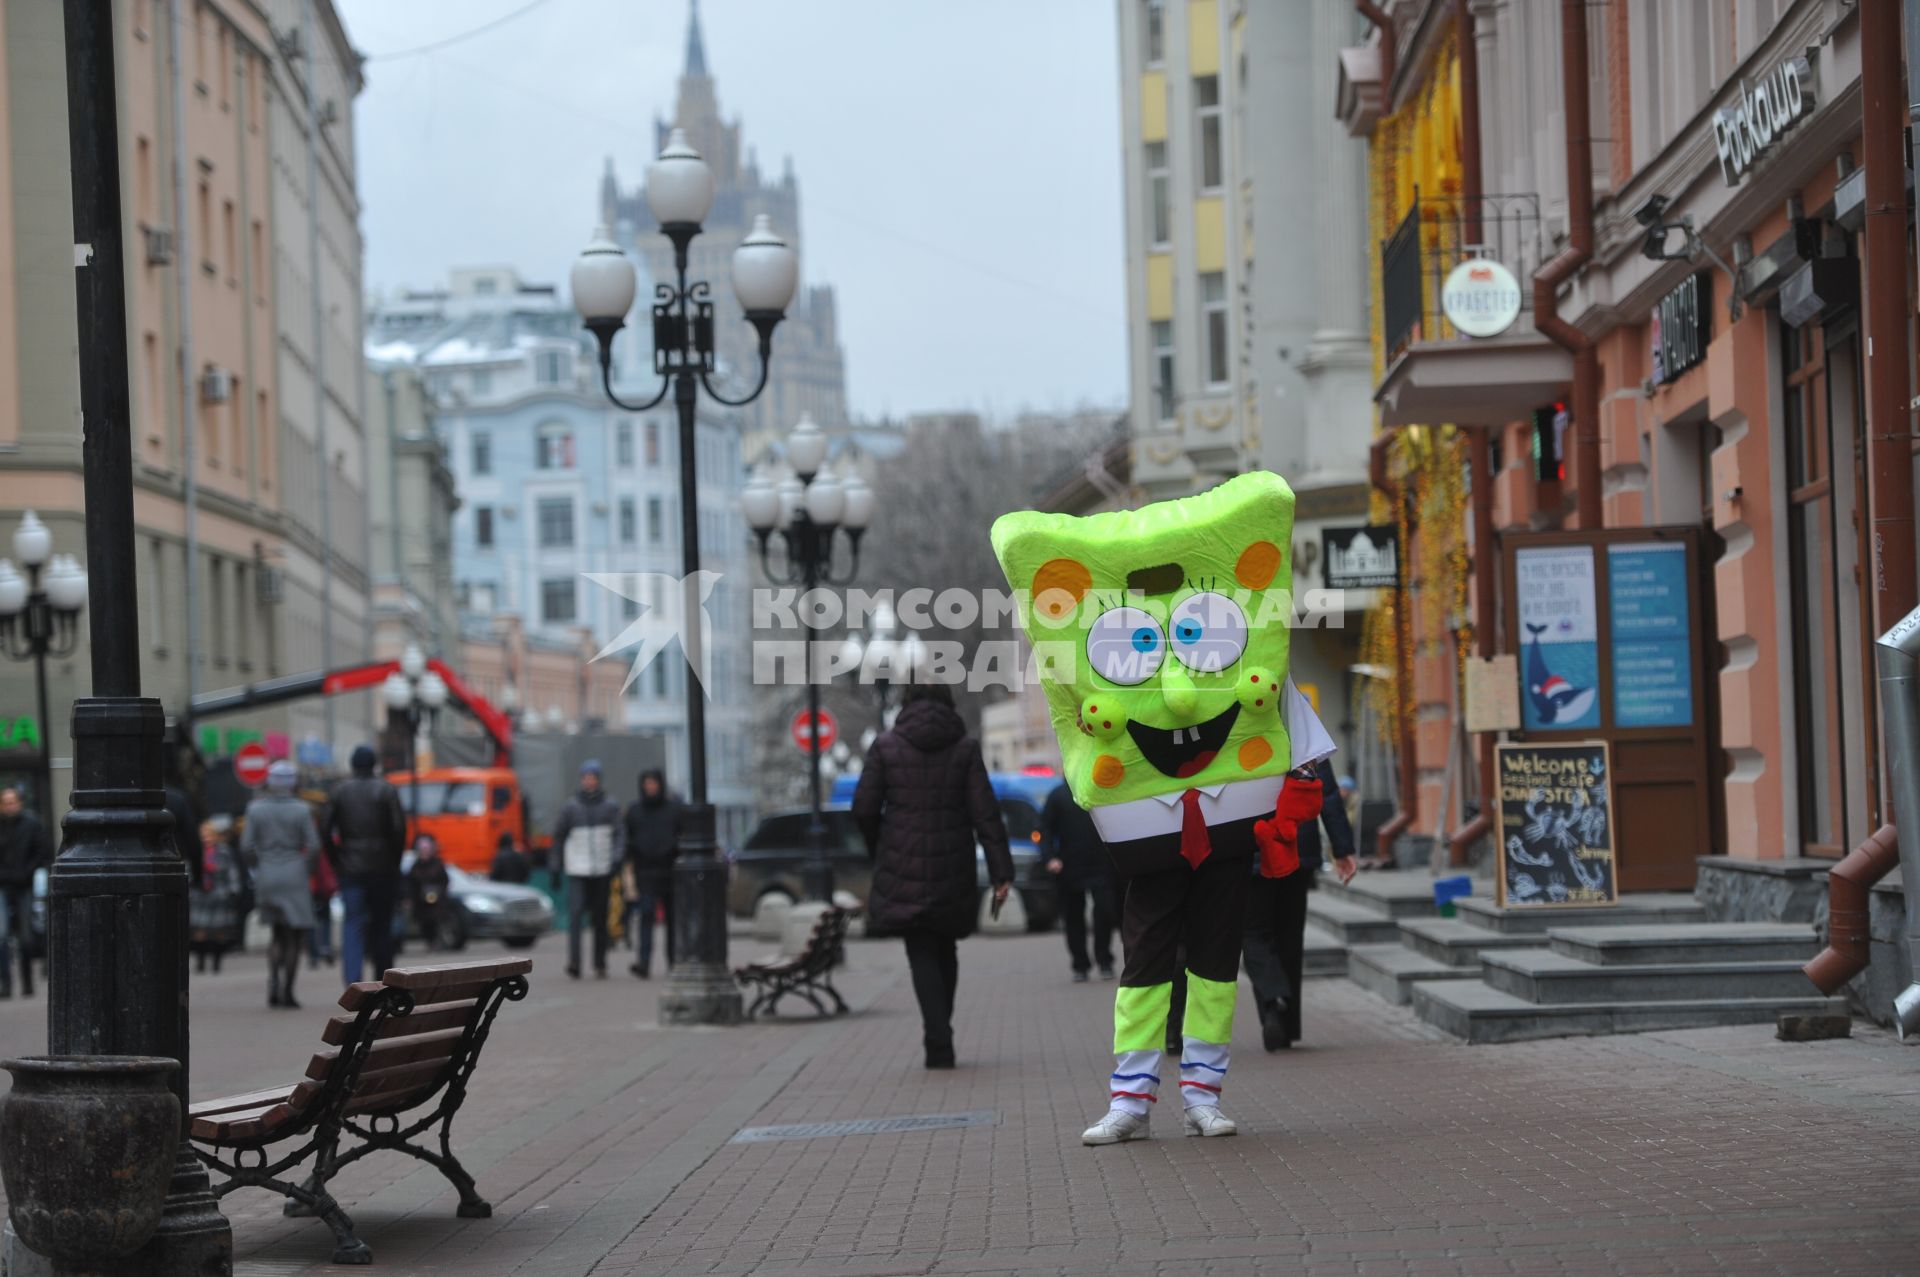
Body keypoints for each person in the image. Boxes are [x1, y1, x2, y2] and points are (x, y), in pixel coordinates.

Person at [853, 682, 1013, 1070]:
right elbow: (985, 812)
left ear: (906, 704)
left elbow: (863, 807)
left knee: (920, 948)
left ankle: (937, 1037)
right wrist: (1000, 872)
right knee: (946, 947)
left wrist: (881, 845)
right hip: (953, 861)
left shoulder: (886, 747)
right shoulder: (965, 748)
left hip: (902, 863)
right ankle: (941, 1029)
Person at [1168, 755, 1358, 1054]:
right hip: (1297, 841)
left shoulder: (1240, 722)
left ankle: (1273, 999)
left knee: (1254, 934)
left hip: (1250, 845)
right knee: (1290, 936)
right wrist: (1342, 848)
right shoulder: (1301, 726)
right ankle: (1286, 1026)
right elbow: (1327, 790)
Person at [320, 744, 407, 984]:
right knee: (382, 925)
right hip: (382, 868)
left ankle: (353, 982)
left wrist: (338, 859)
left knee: (353, 924)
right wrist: (394, 862)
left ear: (353, 765)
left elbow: (325, 830)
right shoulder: (386, 790)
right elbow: (399, 830)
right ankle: (383, 980)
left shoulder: (339, 791)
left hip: (351, 868)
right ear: (374, 764)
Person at [242, 760, 321, 1009]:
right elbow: (315, 846)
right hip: (294, 873)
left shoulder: (255, 809)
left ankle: (273, 982)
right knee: (294, 937)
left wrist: (257, 866)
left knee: (276, 933)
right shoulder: (302, 810)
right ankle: (288, 990)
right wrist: (304, 867)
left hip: (267, 873)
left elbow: (246, 846)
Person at [553, 759, 622, 979]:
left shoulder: (610, 807)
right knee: (575, 915)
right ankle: (574, 961)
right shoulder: (571, 808)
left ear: (598, 780)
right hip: (577, 869)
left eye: (593, 777)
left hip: (602, 869)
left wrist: (616, 859)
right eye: (586, 777)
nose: (589, 781)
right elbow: (558, 837)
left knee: (600, 918)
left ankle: (600, 962)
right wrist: (555, 865)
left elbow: (620, 835)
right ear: (582, 780)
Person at [1041, 779, 1116, 982]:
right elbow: (1045, 829)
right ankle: (1080, 964)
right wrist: (1050, 858)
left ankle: (1104, 960)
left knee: (1104, 912)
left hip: (1101, 865)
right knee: (1073, 917)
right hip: (1069, 866)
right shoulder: (1058, 795)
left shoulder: (1099, 790)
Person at [622, 768, 679, 979]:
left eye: (654, 783)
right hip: (645, 870)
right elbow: (627, 838)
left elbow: (680, 835)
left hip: (670, 870)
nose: (651, 787)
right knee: (646, 914)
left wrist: (671, 849)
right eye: (647, 783)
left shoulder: (673, 809)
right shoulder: (635, 810)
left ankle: (673, 961)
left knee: (672, 919)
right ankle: (644, 962)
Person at [0, 786, 50, 999]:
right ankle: (6, 984)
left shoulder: (32, 824)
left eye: (12, 801)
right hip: (3, 885)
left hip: (25, 884)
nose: (9, 805)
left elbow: (41, 852)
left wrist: (26, 872)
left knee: (27, 936)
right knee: (1, 935)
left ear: (19, 802)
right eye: (5, 802)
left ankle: (27, 981)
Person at [190, 817, 249, 973]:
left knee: (219, 932)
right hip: (200, 895)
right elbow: (189, 871)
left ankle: (216, 963)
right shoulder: (195, 850)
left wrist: (233, 891)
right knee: (199, 931)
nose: (206, 837)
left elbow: (232, 873)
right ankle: (201, 962)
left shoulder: (224, 851)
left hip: (220, 894)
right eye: (203, 833)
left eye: (208, 833)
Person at [407, 834, 452, 949]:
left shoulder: (437, 864)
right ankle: (430, 941)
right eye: (422, 850)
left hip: (438, 901)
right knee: (425, 923)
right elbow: (411, 883)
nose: (424, 853)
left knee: (437, 921)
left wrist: (439, 891)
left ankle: (438, 941)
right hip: (422, 902)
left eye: (426, 850)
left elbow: (445, 880)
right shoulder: (415, 866)